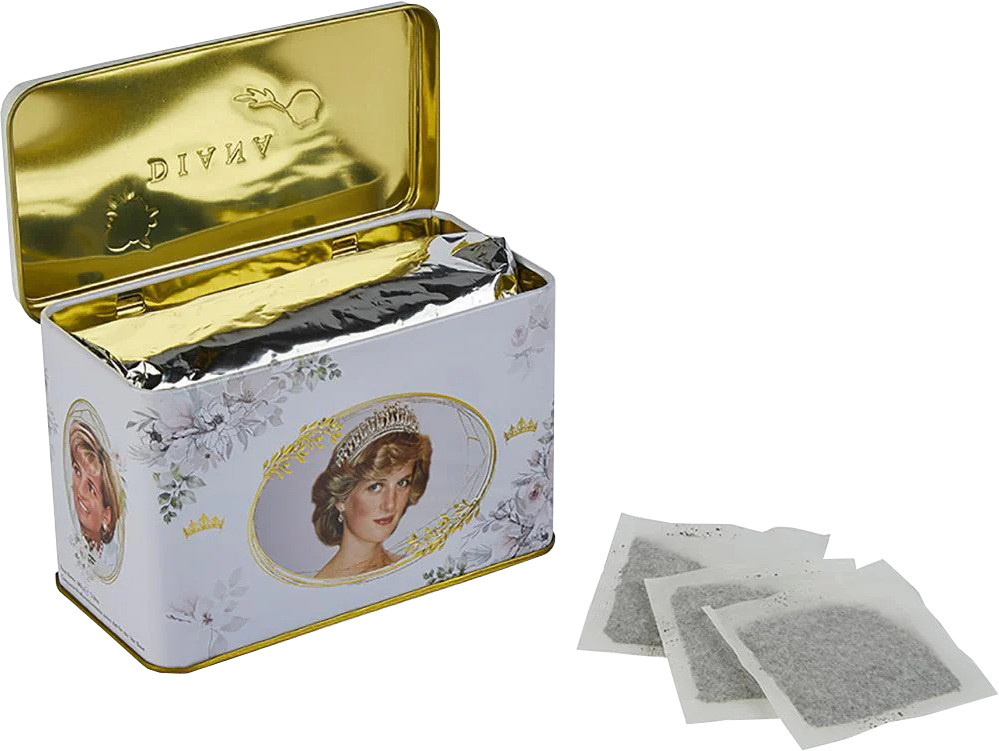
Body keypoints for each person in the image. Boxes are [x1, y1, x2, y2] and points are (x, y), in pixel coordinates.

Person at [311, 403, 431, 579]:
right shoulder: (323, 587)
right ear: (341, 499)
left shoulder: (413, 567)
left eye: (402, 483)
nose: (390, 505)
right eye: (375, 487)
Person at [68, 420, 121, 556]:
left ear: (106, 516)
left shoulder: (109, 559)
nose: (80, 490)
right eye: (77, 471)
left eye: (91, 489)